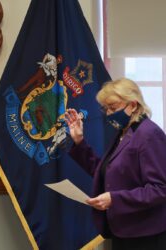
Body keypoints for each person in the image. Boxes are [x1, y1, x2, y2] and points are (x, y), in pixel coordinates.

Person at [65, 78, 166, 250]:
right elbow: (106, 172)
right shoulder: (125, 132)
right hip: (123, 230)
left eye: (113, 108)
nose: (109, 114)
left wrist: (114, 199)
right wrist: (79, 141)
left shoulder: (149, 134)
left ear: (133, 105)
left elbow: (160, 188)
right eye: (106, 109)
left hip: (145, 235)